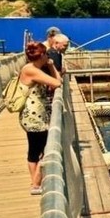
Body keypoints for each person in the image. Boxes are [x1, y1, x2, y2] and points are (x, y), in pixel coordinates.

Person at [18, 41, 63, 195]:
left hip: (32, 115)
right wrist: (51, 66)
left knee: (34, 150)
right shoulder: (32, 70)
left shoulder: (31, 68)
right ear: (42, 55)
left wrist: (49, 65)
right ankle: (36, 184)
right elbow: (57, 82)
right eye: (46, 54)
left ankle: (35, 183)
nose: (48, 57)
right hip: (34, 117)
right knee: (45, 149)